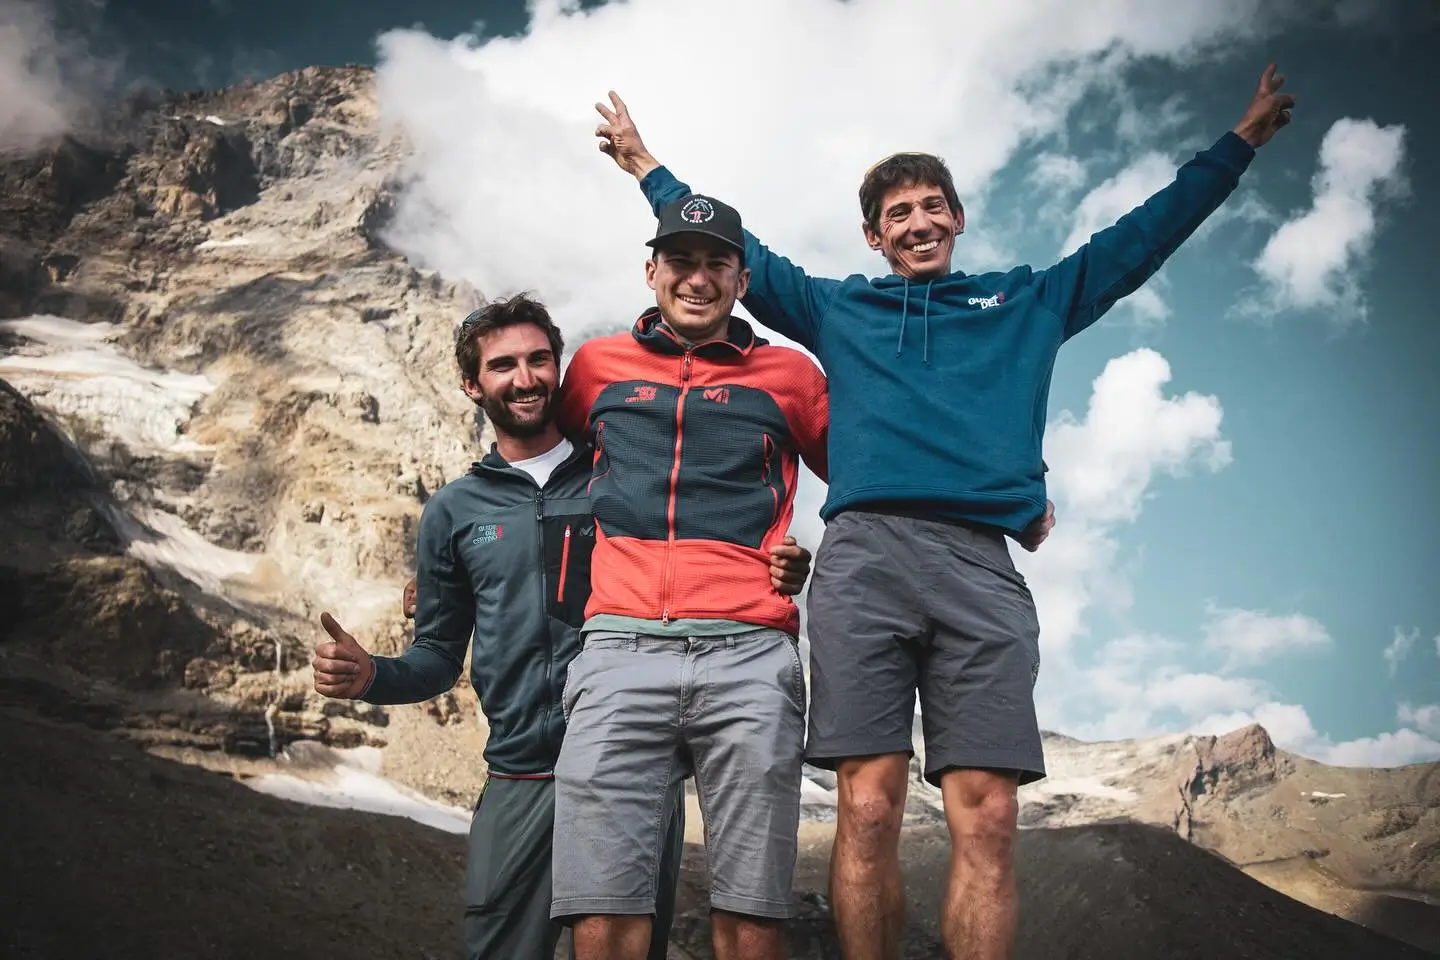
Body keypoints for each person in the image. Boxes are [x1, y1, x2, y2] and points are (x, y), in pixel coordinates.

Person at [593, 63, 1298, 959]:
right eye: (898, 215)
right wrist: (647, 165)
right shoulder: (839, 309)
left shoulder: (1030, 299)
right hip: (864, 562)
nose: (918, 222)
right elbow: (742, 255)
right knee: (868, 802)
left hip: (979, 567)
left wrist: (1237, 145)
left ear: (956, 218)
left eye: (932, 206)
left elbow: (1140, 239)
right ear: (874, 236)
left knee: (991, 813)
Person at [310, 294, 815, 960]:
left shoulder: (620, 474)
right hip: (522, 778)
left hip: (631, 767)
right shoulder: (454, 513)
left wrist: (779, 565)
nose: (525, 378)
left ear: (561, 366)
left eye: (539, 359)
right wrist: (372, 674)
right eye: (503, 365)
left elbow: (701, 539)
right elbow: (436, 654)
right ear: (472, 384)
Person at [548, 193, 829, 960]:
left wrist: (814, 558)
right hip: (616, 652)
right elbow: (549, 469)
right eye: (681, 262)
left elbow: (869, 478)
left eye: (717, 265)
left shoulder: (792, 376)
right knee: (602, 913)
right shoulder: (598, 366)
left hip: (750, 653)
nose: (697, 279)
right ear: (651, 271)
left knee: (751, 912)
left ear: (742, 281)